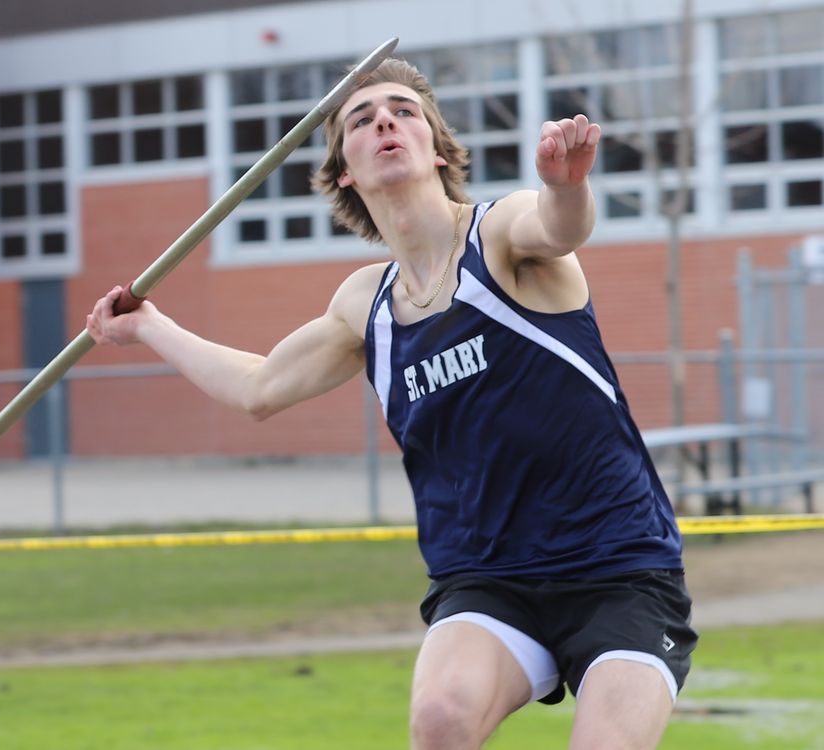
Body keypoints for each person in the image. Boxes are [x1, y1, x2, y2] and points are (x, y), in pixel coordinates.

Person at [87, 58, 697, 750]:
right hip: (488, 579)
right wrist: (149, 326)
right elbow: (257, 388)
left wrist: (566, 186)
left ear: (436, 148)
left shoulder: (499, 235)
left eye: (404, 111)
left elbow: (560, 228)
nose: (385, 120)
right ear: (344, 170)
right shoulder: (364, 305)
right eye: (361, 118)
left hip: (619, 567)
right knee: (439, 719)